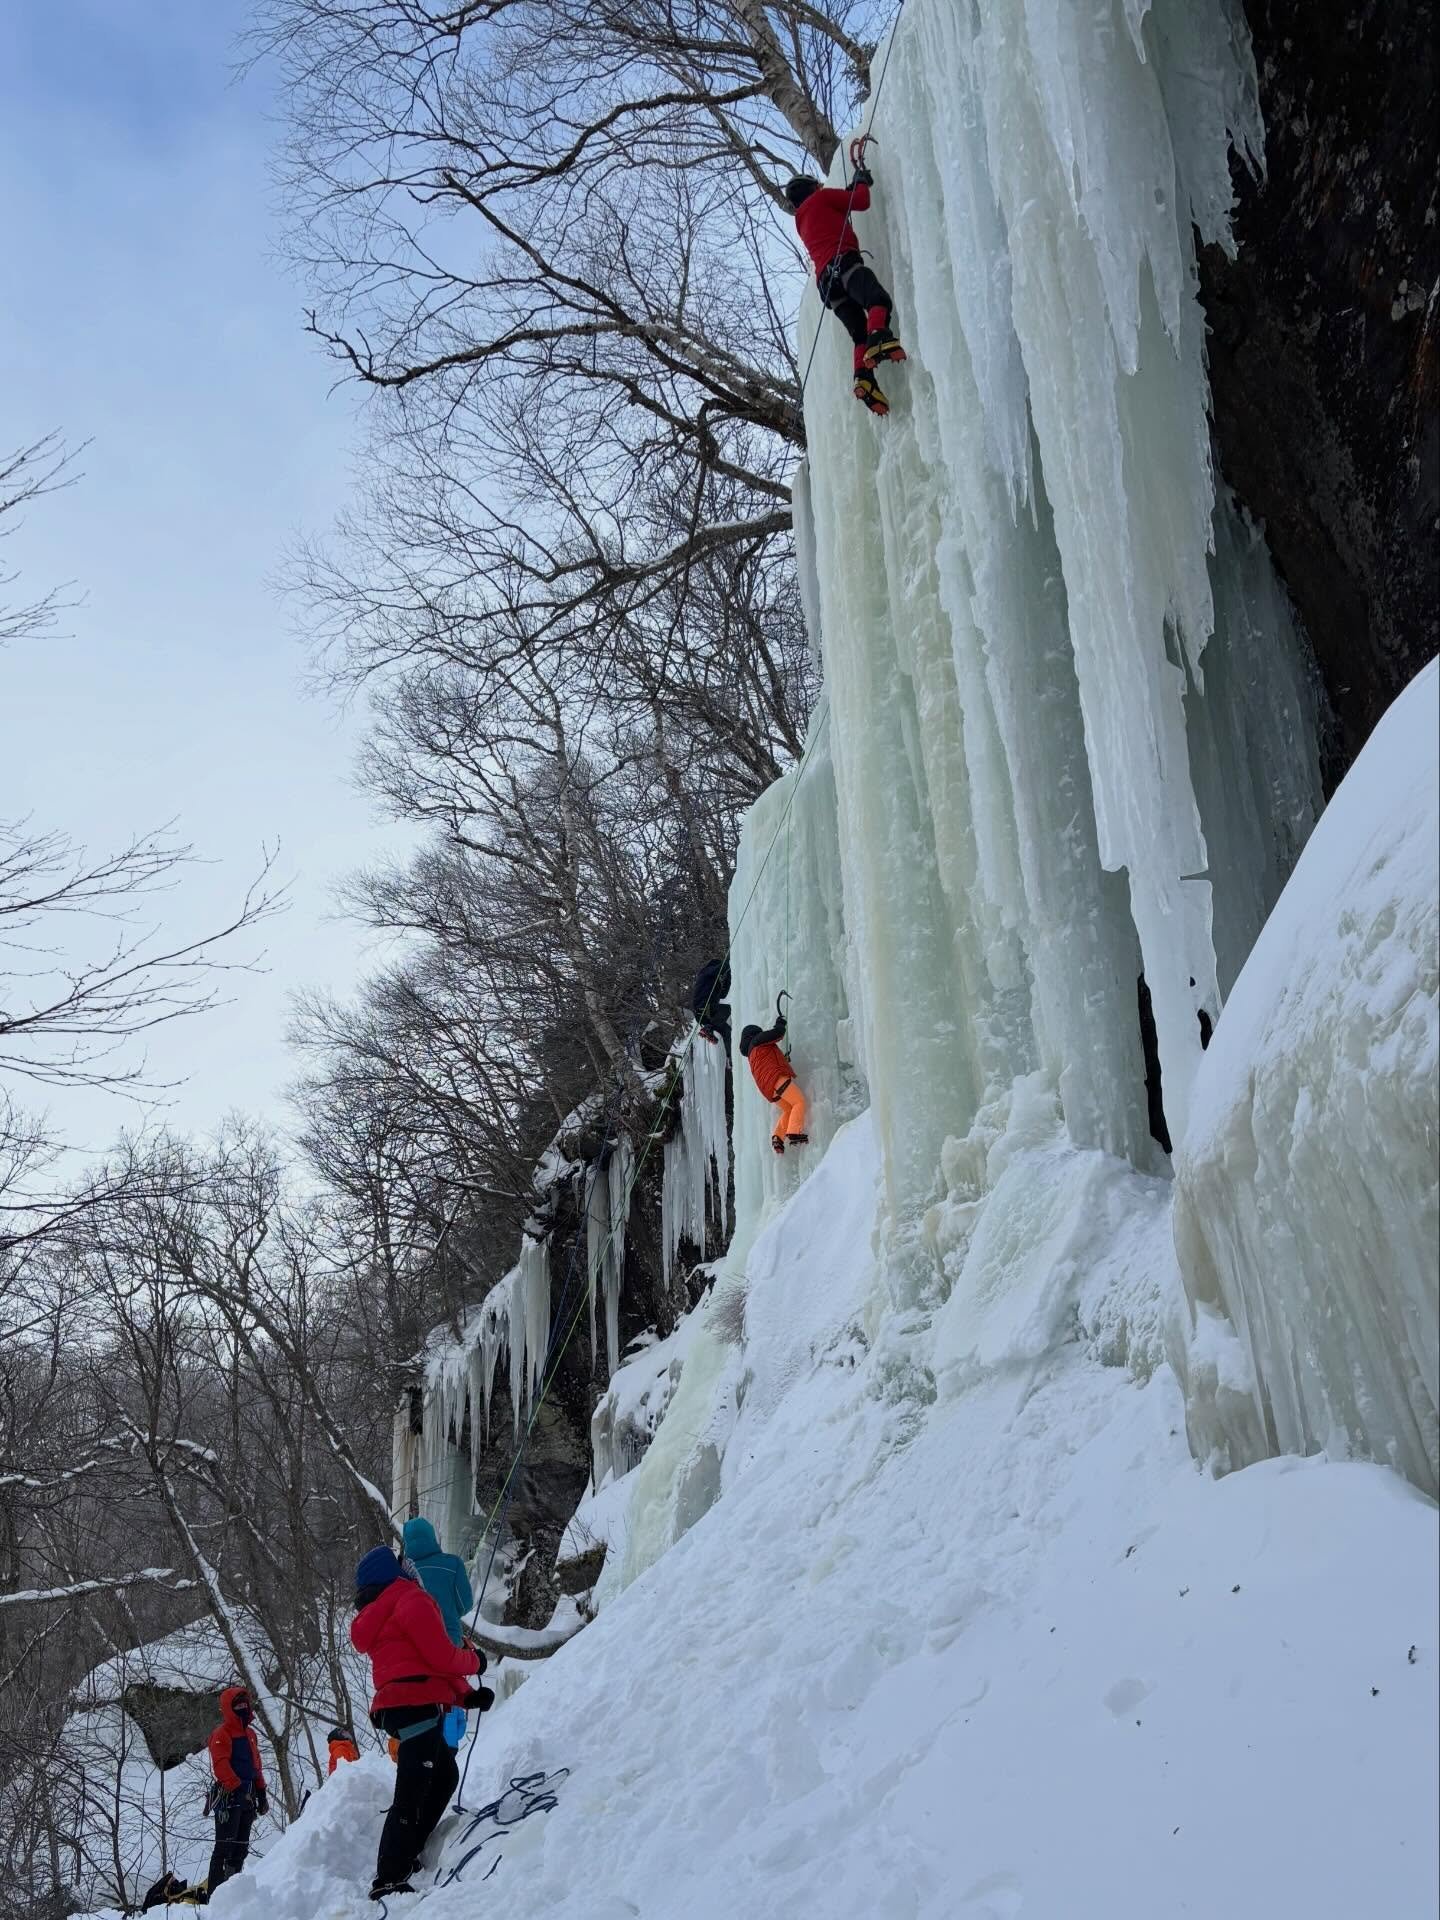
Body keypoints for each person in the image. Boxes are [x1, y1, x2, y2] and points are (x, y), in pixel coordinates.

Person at [351, 1545, 493, 1902]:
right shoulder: (409, 1599)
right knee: (411, 1792)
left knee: (444, 1776)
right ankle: (388, 1876)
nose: (410, 1567)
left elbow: (421, 1663)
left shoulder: (381, 1611)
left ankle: (408, 1852)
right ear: (393, 1572)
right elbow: (441, 1656)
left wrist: (466, 1696)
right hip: (416, 1705)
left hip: (400, 1704)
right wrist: (475, 1662)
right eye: (403, 1564)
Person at [785, 162, 906, 416]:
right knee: (878, 300)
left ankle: (863, 377)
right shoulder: (822, 198)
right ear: (813, 188)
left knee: (859, 334)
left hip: (828, 288)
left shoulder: (801, 221)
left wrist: (850, 190)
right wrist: (861, 180)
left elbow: (834, 212)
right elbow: (861, 201)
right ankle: (879, 336)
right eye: (817, 186)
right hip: (845, 266)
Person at [401, 1516, 475, 1751]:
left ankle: (425, 1751)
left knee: (424, 1704)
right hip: (449, 1643)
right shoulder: (452, 1564)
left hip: (415, 1652)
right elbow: (465, 1603)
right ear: (432, 1537)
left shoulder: (402, 1574)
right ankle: (449, 1749)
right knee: (450, 1698)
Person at [203, 1686, 268, 1899]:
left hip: (248, 1796)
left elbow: (256, 1765)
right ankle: (214, 1896)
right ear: (228, 1708)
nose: (242, 1707)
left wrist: (261, 1792)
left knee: (240, 1848)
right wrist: (238, 1789)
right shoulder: (221, 1734)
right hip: (229, 1797)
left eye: (244, 1704)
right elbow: (220, 1765)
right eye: (237, 1705)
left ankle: (231, 1893)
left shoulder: (250, 1734)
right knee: (224, 1848)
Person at [738, 1010, 809, 1155]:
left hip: (770, 1090)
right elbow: (778, 1033)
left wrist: (784, 1060)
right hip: (776, 1080)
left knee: (789, 1109)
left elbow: (770, 1062)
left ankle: (778, 1138)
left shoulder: (752, 1055)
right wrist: (780, 1023)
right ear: (754, 1034)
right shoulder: (757, 1040)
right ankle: (794, 1132)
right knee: (799, 1102)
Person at [689, 958, 732, 1052]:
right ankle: (708, 1029)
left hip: (707, 1015)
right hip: (704, 1009)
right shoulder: (706, 972)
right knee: (727, 1010)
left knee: (726, 1031)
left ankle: (730, 1056)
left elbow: (723, 994)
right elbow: (720, 968)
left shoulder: (714, 983)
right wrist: (730, 959)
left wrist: (729, 975)